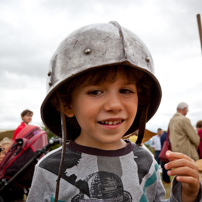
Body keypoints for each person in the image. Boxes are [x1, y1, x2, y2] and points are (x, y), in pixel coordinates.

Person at [27, 22, 201, 202]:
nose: (114, 105)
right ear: (67, 105)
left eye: (125, 91)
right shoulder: (49, 169)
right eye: (96, 92)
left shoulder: (144, 161)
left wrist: (187, 196)